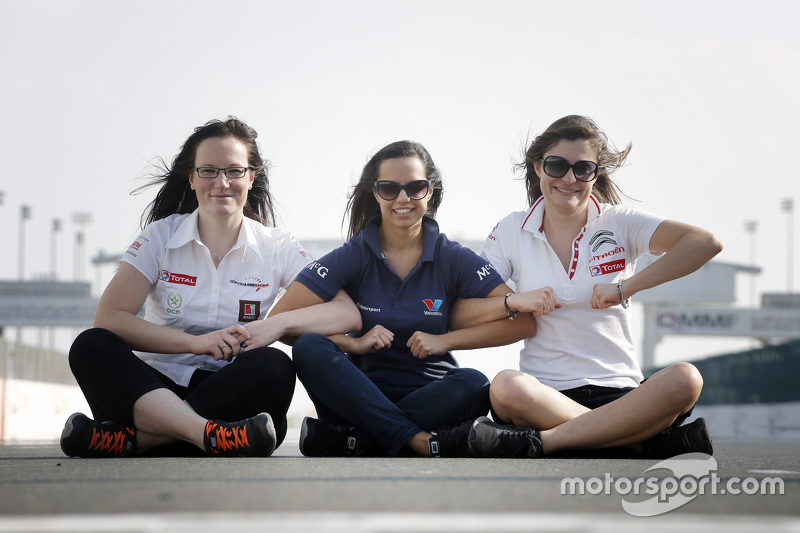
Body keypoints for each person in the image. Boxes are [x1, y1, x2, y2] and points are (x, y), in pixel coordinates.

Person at [60, 117, 361, 458]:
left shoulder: (278, 245)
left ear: (251, 177)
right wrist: (195, 343)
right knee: (91, 345)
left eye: (234, 171)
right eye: (209, 171)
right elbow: (110, 317)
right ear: (191, 178)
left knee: (274, 365)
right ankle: (210, 436)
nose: (222, 182)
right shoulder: (160, 236)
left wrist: (276, 325)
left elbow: (346, 312)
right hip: (151, 388)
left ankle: (137, 440)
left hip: (229, 390)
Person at [455, 115, 723, 459]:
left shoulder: (620, 221)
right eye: (557, 165)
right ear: (538, 168)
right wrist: (514, 300)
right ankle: (643, 443)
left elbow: (705, 242)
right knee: (506, 386)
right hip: (544, 393)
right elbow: (463, 310)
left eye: (583, 168)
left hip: (623, 391)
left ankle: (545, 442)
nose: (570, 178)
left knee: (686, 378)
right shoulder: (510, 230)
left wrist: (627, 287)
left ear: (595, 174)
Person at [269, 140, 536, 458]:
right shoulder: (352, 255)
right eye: (389, 188)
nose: (403, 198)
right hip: (354, 397)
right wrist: (353, 344)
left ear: (430, 192)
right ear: (375, 192)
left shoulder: (453, 257)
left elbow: (522, 322)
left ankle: (354, 440)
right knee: (310, 347)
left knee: (474, 382)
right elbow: (279, 322)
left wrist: (446, 342)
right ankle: (418, 441)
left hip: (429, 398)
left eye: (415, 187)